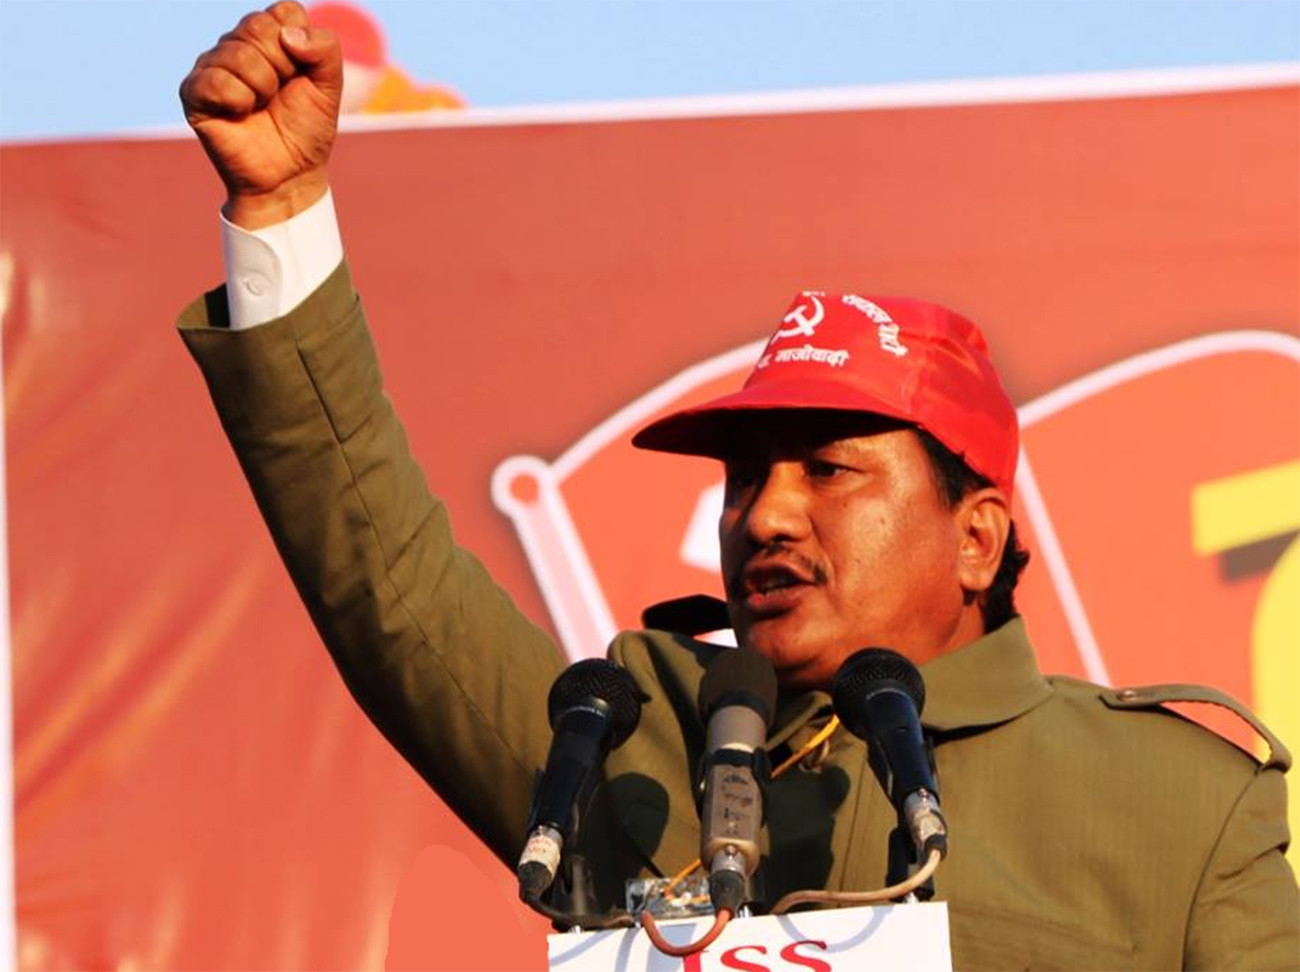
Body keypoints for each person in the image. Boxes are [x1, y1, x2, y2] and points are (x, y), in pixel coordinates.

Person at [177, 4, 1299, 968]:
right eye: (745, 476)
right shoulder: (628, 751)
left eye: (828, 470)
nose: (763, 515)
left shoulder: (1176, 804)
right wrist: (282, 214)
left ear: (976, 538)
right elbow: (391, 587)